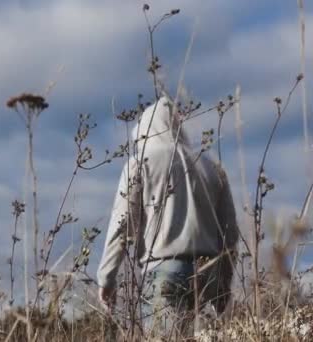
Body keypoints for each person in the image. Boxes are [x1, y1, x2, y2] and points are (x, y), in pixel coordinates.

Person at [96, 96, 238, 339]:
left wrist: (106, 277)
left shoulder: (139, 163)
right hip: (210, 274)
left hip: (165, 270)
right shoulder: (212, 167)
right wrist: (224, 285)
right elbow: (229, 233)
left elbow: (123, 225)